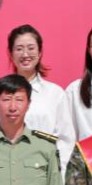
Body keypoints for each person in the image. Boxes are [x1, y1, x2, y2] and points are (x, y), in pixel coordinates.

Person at [6, 24, 75, 171]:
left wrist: (58, 174)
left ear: (40, 52)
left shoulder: (55, 93)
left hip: (44, 172)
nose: (25, 54)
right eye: (19, 49)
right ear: (11, 54)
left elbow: (65, 140)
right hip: (8, 171)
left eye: (31, 48)